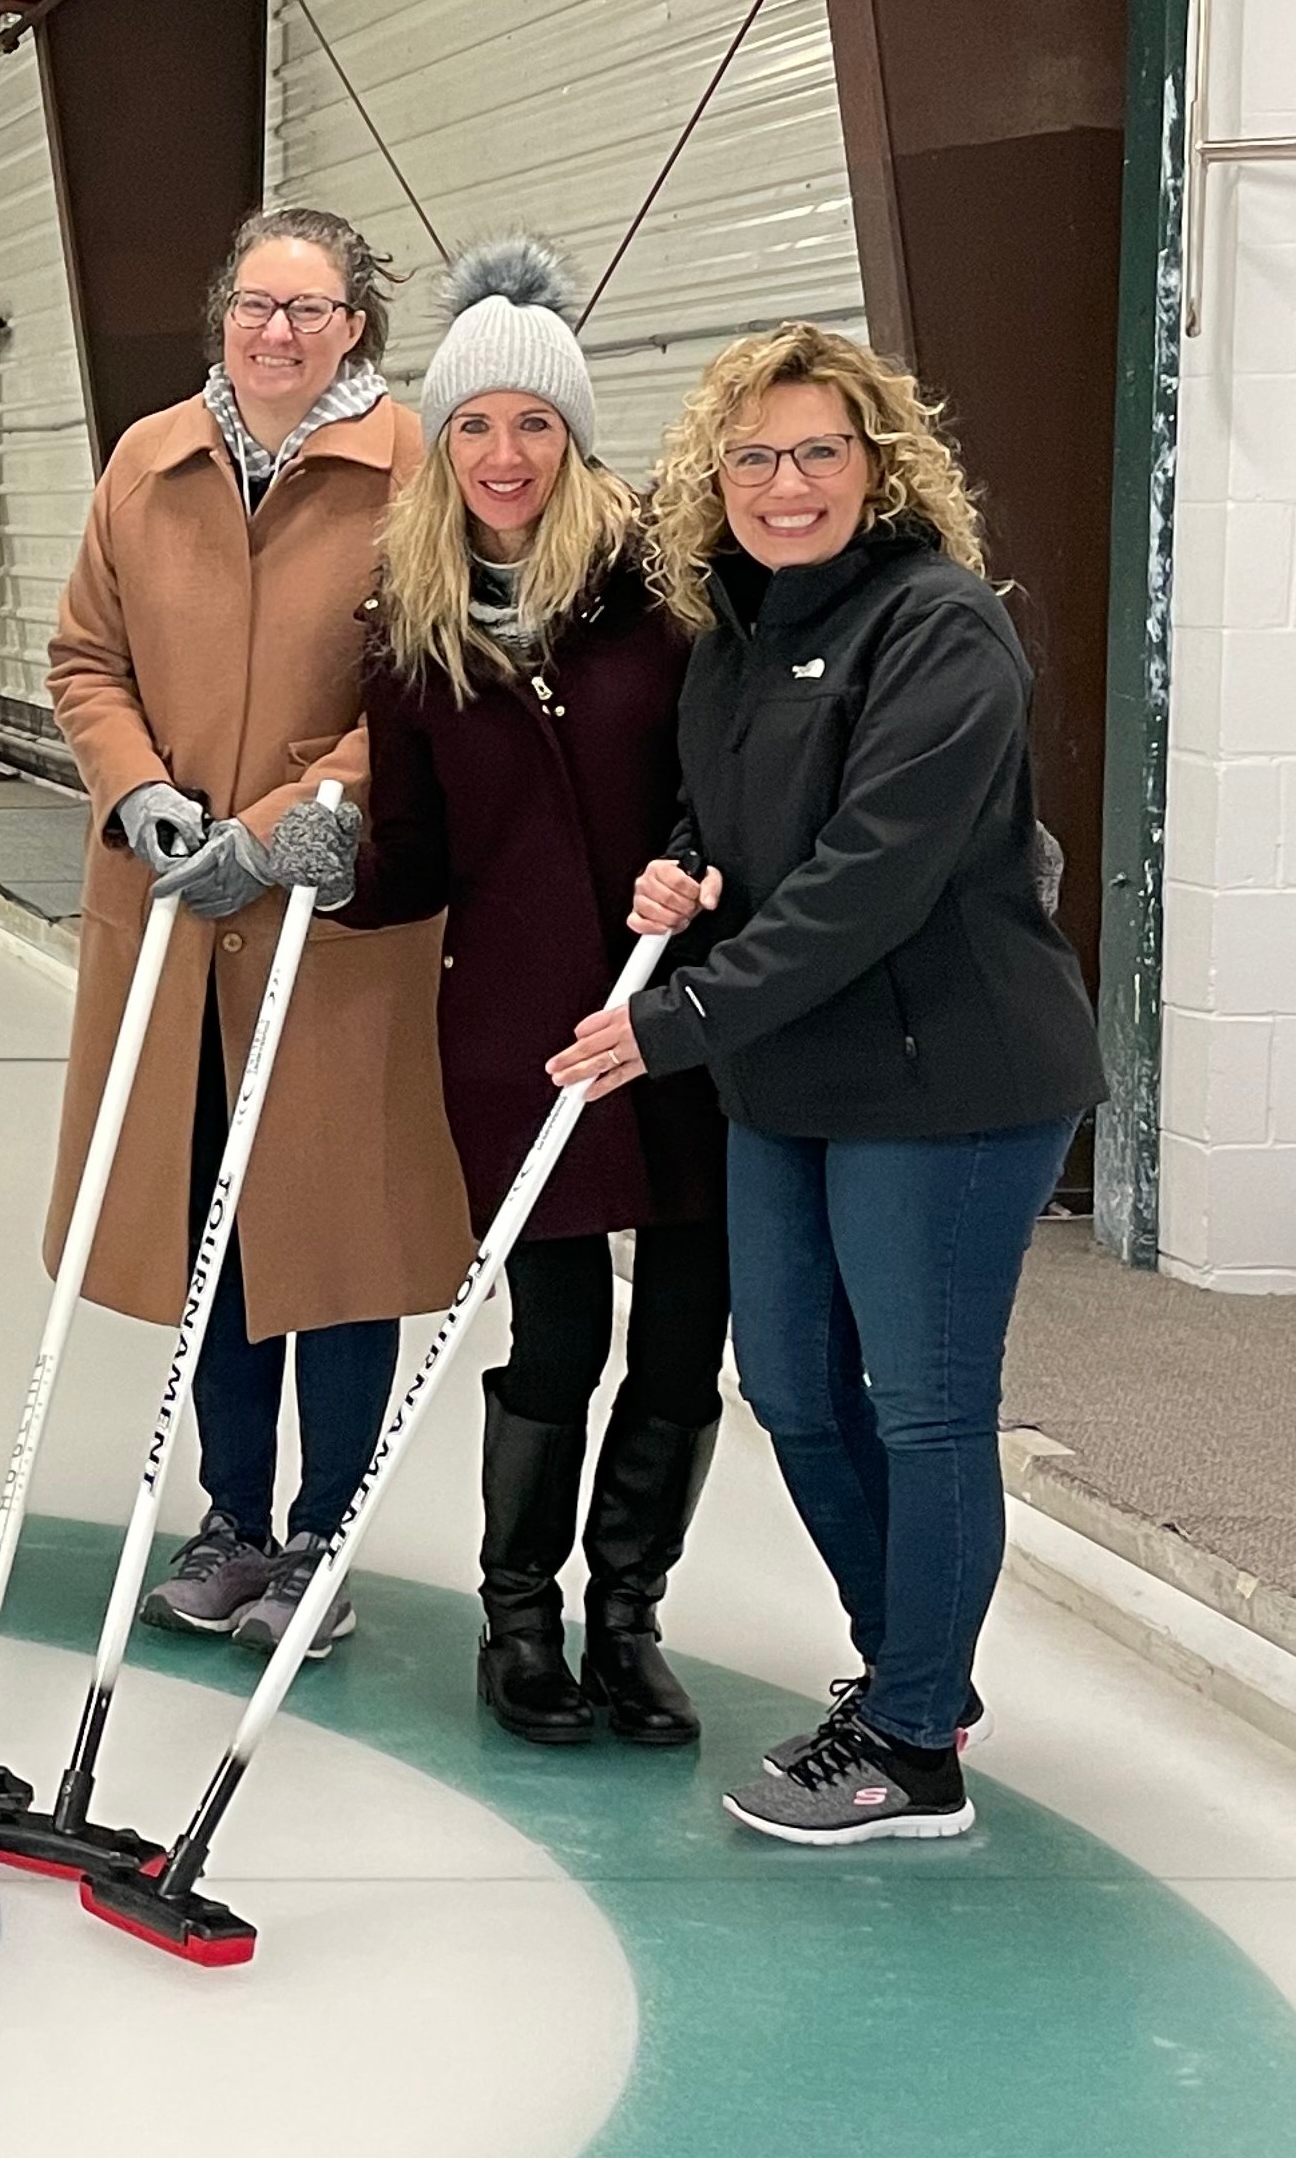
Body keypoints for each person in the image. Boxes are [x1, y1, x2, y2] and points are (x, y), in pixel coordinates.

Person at [555, 324, 1100, 1845]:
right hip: (788, 1070)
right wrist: (679, 860)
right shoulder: (735, 628)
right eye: (754, 457)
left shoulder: (940, 628)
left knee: (924, 1408)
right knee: (793, 1388)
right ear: (712, 476)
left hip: (950, 1077)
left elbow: (874, 875)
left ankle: (915, 1740)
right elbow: (726, 807)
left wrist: (674, 1023)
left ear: (880, 466)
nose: (785, 485)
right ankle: (911, 1668)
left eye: (818, 454)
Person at [47, 205, 472, 1662]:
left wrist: (299, 810)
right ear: (219, 312)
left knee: (332, 1239)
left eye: (311, 309)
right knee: (210, 1233)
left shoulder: (415, 470)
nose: (277, 333)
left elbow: (432, 678)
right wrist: (139, 791)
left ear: (359, 324)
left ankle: (321, 1536)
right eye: (253, 305)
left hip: (327, 923)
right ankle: (231, 1518)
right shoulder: (147, 461)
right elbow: (83, 658)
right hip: (175, 922)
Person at [342, 237, 728, 1745]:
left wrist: (692, 867)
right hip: (521, 1030)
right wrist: (329, 870)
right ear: (443, 445)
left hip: (680, 1012)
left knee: (688, 1327)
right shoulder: (412, 625)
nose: (504, 454)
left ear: (573, 440)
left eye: (534, 426)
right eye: (477, 427)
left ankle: (630, 1614)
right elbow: (419, 856)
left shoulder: (667, 600)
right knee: (557, 1333)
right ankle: (525, 1620)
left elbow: (728, 787)